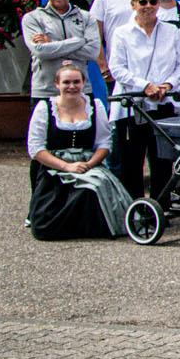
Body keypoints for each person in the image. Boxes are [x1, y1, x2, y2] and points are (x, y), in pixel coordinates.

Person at [28, 63, 132, 240]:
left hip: (88, 164)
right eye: (66, 82)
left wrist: (89, 164)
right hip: (55, 167)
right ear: (57, 84)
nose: (72, 86)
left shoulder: (95, 105)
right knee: (45, 226)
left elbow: (104, 143)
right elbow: (36, 149)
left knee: (93, 188)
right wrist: (67, 167)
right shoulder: (45, 107)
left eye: (76, 82)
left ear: (83, 83)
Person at [106, 0, 180, 199]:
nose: (148, 6)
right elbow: (117, 68)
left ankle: (160, 206)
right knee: (131, 161)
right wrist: (145, 86)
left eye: (153, 1)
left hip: (163, 103)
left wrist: (167, 85)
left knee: (162, 161)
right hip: (132, 106)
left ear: (159, 4)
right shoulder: (122, 33)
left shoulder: (171, 31)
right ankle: (135, 207)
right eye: (142, 2)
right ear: (133, 4)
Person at [23, 0, 101, 101]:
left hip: (81, 91)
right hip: (45, 92)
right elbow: (40, 52)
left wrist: (51, 43)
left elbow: (92, 53)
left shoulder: (86, 17)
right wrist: (79, 41)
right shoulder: (32, 18)